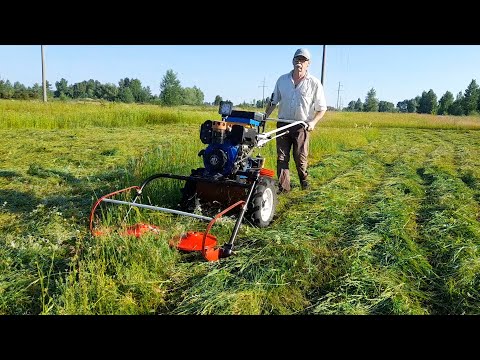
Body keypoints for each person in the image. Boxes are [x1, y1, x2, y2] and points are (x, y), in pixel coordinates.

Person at [264, 47, 327, 192]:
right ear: (293, 61)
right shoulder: (282, 80)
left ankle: (304, 183)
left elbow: (322, 108)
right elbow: (273, 102)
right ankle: (284, 189)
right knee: (282, 158)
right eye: (297, 59)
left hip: (301, 126)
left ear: (308, 63)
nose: (300, 63)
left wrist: (313, 122)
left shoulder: (314, 83)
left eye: (303, 60)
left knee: (300, 159)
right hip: (283, 124)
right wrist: (265, 117)